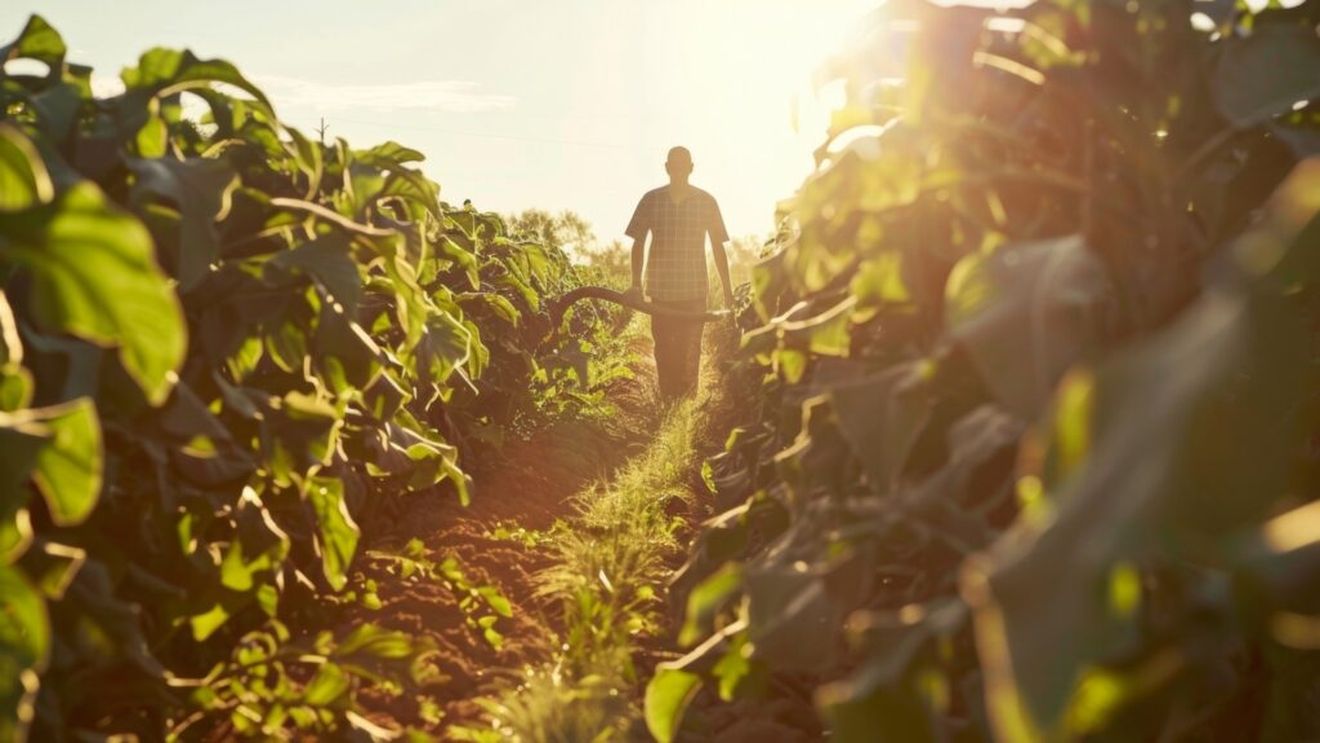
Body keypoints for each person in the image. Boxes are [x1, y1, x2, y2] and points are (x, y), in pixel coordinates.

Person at [623, 146, 734, 400]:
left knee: (689, 353)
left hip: (694, 292)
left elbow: (718, 248)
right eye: (674, 165)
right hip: (661, 292)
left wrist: (728, 291)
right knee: (664, 351)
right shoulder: (651, 200)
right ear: (667, 168)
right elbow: (638, 242)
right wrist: (635, 285)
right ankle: (667, 403)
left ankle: (683, 411)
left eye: (683, 165)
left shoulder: (707, 202)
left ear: (691, 168)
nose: (679, 170)